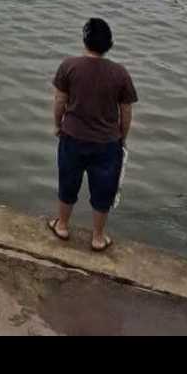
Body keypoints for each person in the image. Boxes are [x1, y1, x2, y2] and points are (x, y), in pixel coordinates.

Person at [48, 18, 137, 254]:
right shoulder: (120, 73)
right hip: (108, 143)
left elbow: (59, 101)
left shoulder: (69, 66)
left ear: (84, 40)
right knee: (103, 189)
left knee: (68, 181)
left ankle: (63, 226)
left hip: (72, 137)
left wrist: (58, 126)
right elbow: (126, 111)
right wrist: (122, 138)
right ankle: (98, 237)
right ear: (110, 44)